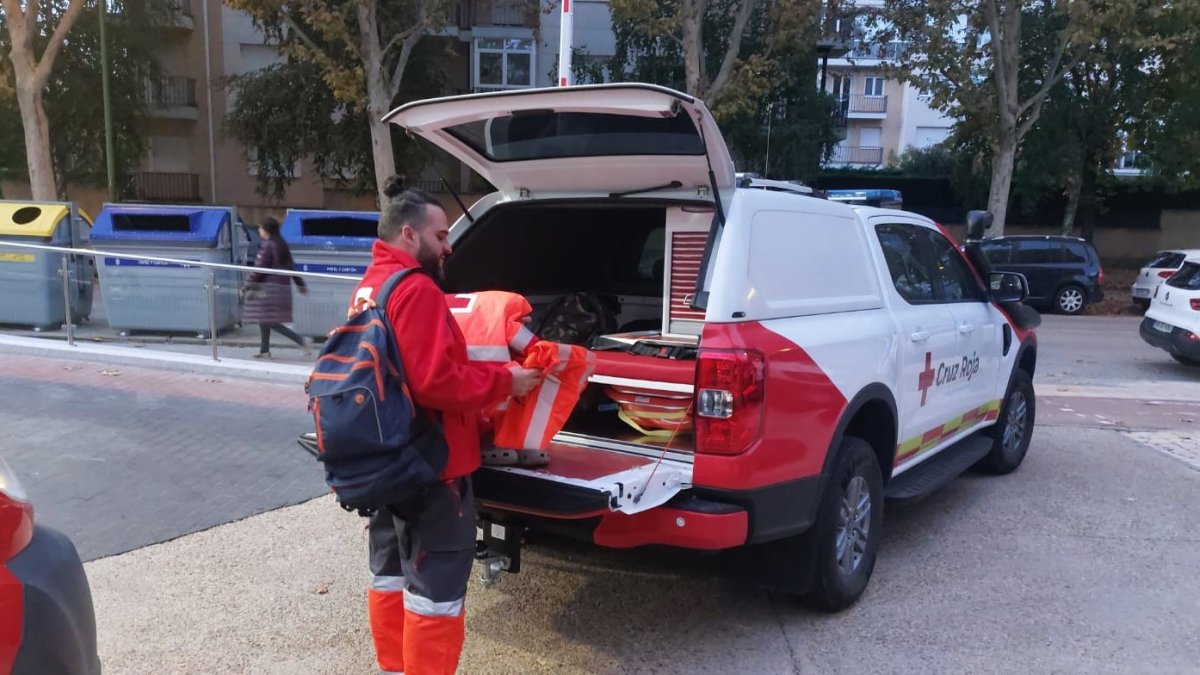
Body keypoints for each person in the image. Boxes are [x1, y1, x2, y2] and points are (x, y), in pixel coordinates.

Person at [354, 186, 543, 675]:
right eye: (440, 235)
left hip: (387, 459)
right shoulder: (415, 289)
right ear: (409, 233)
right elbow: (436, 381)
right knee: (435, 593)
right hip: (432, 466)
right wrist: (508, 380)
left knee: (390, 574)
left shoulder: (370, 284)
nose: (448, 246)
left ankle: (393, 668)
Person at [241, 217, 310, 359]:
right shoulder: (281, 244)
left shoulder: (267, 246)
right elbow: (292, 266)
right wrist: (300, 284)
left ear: (266, 230)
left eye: (260, 228)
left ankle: (302, 340)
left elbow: (259, 269)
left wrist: (247, 286)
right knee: (264, 318)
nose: (259, 230)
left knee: (270, 321)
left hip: (268, 289)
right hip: (280, 288)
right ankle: (264, 350)